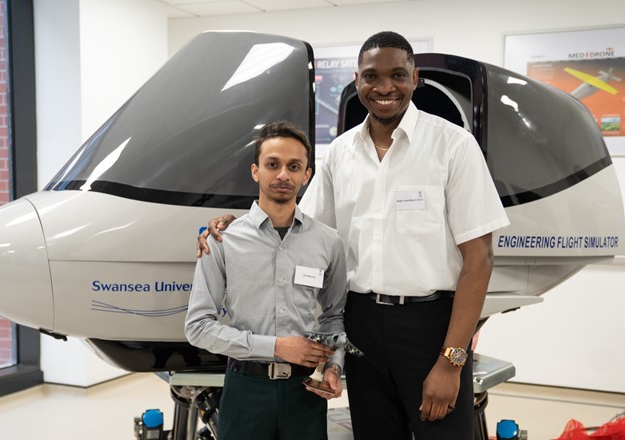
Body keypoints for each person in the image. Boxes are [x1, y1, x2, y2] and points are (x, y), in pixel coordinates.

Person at [198, 31, 510, 439]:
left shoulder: (451, 146)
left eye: (397, 74)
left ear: (415, 78)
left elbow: (479, 257)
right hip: (361, 325)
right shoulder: (340, 155)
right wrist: (234, 224)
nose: (384, 87)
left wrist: (451, 361)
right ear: (357, 80)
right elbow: (296, 227)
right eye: (371, 76)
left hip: (430, 326)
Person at [185, 121, 348, 440]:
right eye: (273, 164)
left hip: (304, 393)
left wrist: (334, 366)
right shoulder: (222, 240)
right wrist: (276, 346)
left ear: (307, 175)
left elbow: (334, 315)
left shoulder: (329, 242)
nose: (284, 175)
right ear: (256, 171)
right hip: (246, 390)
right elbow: (198, 326)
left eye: (294, 166)